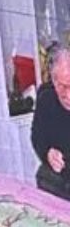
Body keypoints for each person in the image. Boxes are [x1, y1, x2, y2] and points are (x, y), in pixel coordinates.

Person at [32, 46, 70, 201]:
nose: (68, 95)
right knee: (44, 175)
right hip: (60, 177)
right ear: (53, 81)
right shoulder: (46, 98)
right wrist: (47, 152)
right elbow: (37, 135)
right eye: (62, 86)